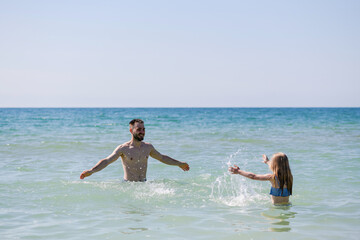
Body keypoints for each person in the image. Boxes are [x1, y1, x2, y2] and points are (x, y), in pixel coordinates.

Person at [80, 119, 190, 182]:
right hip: (129, 185)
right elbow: (107, 161)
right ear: (131, 130)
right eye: (139, 129)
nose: (142, 132)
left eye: (143, 129)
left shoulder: (148, 147)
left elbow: (162, 158)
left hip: (143, 184)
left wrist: (179, 164)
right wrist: (92, 171)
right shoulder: (123, 148)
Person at [229, 152, 293, 205]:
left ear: (274, 165)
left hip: (276, 209)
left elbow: (253, 176)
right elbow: (278, 167)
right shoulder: (290, 177)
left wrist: (239, 172)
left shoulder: (272, 177)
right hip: (287, 207)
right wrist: (267, 161)